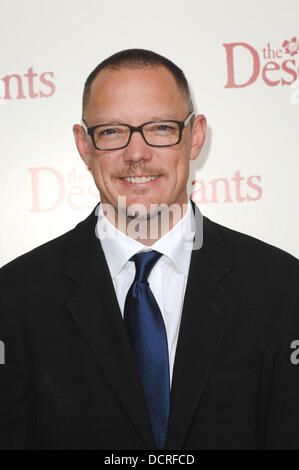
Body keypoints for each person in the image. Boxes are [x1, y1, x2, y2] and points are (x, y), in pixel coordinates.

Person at [0, 49, 299, 451]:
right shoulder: (15, 296)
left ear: (195, 136)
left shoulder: (282, 288)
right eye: (111, 131)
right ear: (84, 146)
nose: (136, 154)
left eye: (159, 128)